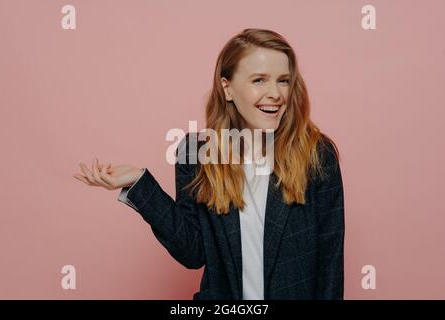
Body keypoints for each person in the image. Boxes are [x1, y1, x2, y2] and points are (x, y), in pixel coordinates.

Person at [73, 28, 345, 300]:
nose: (275, 93)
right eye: (259, 80)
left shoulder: (317, 156)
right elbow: (192, 252)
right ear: (227, 88)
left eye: (283, 81)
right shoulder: (195, 153)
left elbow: (330, 263)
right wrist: (140, 183)